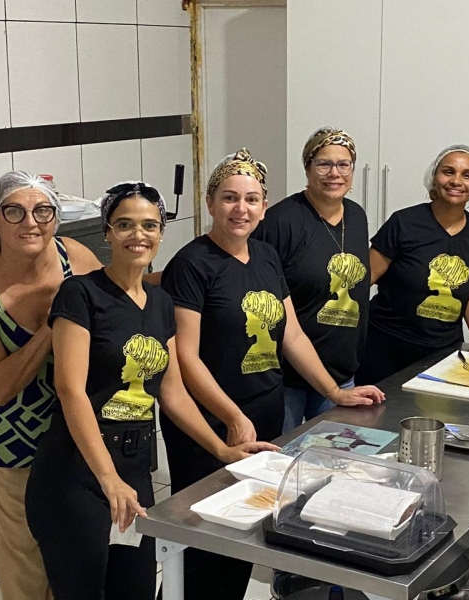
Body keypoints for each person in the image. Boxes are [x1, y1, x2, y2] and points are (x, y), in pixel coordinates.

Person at [24, 182, 275, 599]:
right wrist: (108, 478)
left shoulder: (159, 302)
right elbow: (70, 390)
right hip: (77, 473)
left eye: (149, 225)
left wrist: (222, 449)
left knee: (137, 587)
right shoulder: (81, 295)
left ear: (160, 233)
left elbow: (172, 393)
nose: (137, 235)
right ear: (107, 232)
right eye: (124, 224)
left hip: (134, 468)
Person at [160, 149, 384, 600]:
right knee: (203, 538)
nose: (240, 209)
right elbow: (186, 357)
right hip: (209, 422)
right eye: (229, 198)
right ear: (210, 203)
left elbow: (292, 335)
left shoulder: (264, 256)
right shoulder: (192, 264)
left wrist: (333, 391)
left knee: (242, 534)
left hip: (263, 413)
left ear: (264, 206)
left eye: (251, 199)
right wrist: (231, 416)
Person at [0, 171, 102, 600]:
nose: (31, 222)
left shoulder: (75, 257)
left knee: (77, 558)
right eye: (14, 211)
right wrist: (53, 325)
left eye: (42, 211)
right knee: (27, 568)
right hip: (12, 445)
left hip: (77, 433)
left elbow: (116, 311)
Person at [254, 127, 372, 432]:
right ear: (307, 168)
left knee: (334, 457)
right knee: (281, 456)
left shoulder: (356, 216)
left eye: (343, 164)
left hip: (341, 375)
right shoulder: (279, 222)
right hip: (287, 380)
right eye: (324, 164)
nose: (335, 173)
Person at [355, 145, 469, 385]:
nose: (456, 181)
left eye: (467, 175)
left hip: (444, 352)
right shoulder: (404, 223)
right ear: (434, 177)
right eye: (448, 172)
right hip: (385, 348)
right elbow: (363, 280)